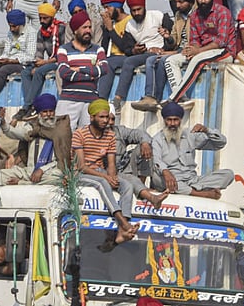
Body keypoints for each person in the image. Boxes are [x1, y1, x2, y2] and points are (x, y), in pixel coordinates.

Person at [74, 100, 167, 243]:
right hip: (82, 174)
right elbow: (81, 166)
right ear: (92, 117)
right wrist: (106, 177)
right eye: (103, 117)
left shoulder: (111, 136)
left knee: (126, 185)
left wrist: (112, 178)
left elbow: (111, 164)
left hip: (101, 171)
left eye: (109, 118)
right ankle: (122, 221)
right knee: (102, 184)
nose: (107, 121)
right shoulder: (79, 134)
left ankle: (123, 230)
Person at [0, 94, 71, 221]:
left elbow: (61, 159)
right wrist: (3, 124)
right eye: (45, 112)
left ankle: (22, 183)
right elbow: (15, 133)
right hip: (28, 171)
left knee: (59, 178)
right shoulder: (32, 127)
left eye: (51, 111)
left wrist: (42, 170)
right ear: (39, 113)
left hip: (50, 172)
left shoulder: (61, 129)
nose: (49, 114)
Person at [158, 0, 238, 108]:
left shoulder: (223, 12)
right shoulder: (195, 15)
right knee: (170, 60)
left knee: (197, 59)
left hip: (224, 52)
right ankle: (183, 98)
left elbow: (221, 42)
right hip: (202, 51)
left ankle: (174, 98)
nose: (203, 1)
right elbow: (194, 39)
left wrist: (198, 51)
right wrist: (191, 50)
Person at [151, 102, 233, 199]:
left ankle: (190, 190)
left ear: (181, 120)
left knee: (228, 174)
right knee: (159, 178)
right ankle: (204, 194)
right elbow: (156, 160)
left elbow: (220, 143)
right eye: (169, 120)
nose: (172, 124)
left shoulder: (190, 135)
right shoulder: (157, 139)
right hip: (172, 179)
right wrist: (165, 171)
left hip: (192, 181)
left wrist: (207, 130)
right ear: (164, 120)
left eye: (175, 120)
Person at [133, 0, 196, 111]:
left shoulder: (197, 15)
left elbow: (193, 42)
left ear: (190, 1)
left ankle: (163, 97)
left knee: (163, 60)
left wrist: (172, 52)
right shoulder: (178, 15)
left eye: (180, 2)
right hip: (178, 50)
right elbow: (174, 40)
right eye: (176, 2)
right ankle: (150, 97)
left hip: (190, 50)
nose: (177, 5)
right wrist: (167, 37)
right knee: (151, 60)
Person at [111, 0, 168, 112]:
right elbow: (126, 48)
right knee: (128, 61)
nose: (137, 13)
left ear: (144, 7)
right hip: (143, 53)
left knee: (149, 61)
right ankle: (117, 99)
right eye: (133, 10)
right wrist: (134, 50)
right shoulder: (130, 25)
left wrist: (164, 48)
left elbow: (171, 35)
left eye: (139, 9)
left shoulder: (157, 16)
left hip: (160, 51)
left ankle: (151, 97)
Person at [56, 11, 108, 130]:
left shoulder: (98, 49)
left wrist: (79, 69)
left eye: (89, 27)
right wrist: (90, 75)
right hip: (68, 100)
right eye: (84, 27)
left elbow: (104, 69)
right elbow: (64, 72)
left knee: (88, 140)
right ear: (75, 30)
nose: (88, 30)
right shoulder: (64, 50)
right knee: (62, 138)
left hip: (91, 102)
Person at [17, 3, 66, 120]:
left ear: (52, 17)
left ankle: (26, 106)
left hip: (60, 61)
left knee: (39, 72)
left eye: (45, 18)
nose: (42, 21)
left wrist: (44, 63)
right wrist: (38, 62)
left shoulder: (62, 28)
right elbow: (39, 52)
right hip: (49, 61)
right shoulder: (41, 32)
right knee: (25, 72)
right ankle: (33, 105)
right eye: (40, 18)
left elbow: (64, 52)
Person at [0, 9, 34, 107]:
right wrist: (2, 59)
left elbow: (30, 56)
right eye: (10, 26)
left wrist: (11, 61)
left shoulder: (31, 32)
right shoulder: (10, 33)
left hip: (22, 65)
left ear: (21, 25)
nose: (11, 29)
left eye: (14, 26)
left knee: (3, 71)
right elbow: (6, 51)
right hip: (8, 61)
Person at [97, 0, 132, 100]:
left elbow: (125, 47)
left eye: (108, 7)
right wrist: (107, 29)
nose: (106, 11)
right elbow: (105, 46)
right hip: (111, 56)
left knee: (108, 64)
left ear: (117, 7)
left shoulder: (130, 21)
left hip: (125, 56)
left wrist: (111, 30)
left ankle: (102, 97)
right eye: (104, 8)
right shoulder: (111, 23)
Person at [109, 109, 153, 178]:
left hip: (122, 167)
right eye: (108, 119)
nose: (110, 122)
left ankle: (141, 185)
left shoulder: (120, 131)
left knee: (143, 149)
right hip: (103, 170)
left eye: (113, 119)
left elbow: (138, 133)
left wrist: (145, 142)